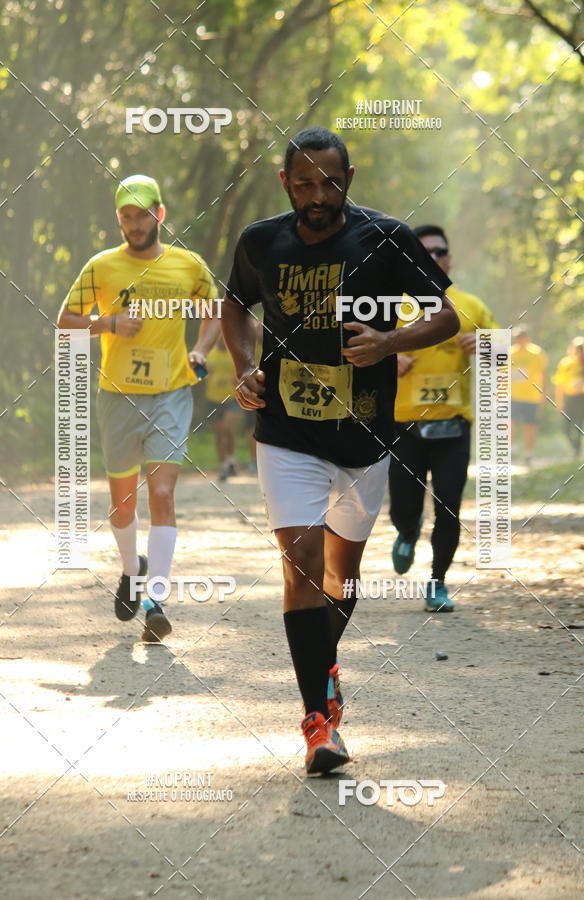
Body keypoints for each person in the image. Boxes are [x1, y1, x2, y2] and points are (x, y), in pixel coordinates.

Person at [221, 127, 459, 774]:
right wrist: (243, 367)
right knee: (299, 568)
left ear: (348, 180)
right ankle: (319, 724)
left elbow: (446, 317)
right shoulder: (260, 242)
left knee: (341, 578)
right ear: (285, 185)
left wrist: (389, 343)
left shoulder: (384, 238)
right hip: (286, 430)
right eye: (303, 184)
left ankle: (324, 669)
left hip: (364, 436)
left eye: (328, 183)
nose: (316, 195)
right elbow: (235, 305)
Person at [57, 174, 220, 642]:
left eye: (142, 215)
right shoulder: (101, 267)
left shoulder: (188, 265)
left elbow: (214, 312)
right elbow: (65, 322)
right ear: (119, 220)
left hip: (171, 391)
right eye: (126, 216)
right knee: (122, 503)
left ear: (159, 215)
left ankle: (156, 599)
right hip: (118, 396)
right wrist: (108, 322)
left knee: (162, 494)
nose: (134, 224)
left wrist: (201, 352)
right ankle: (132, 570)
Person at [389, 224, 499, 612]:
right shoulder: (391, 306)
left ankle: (438, 582)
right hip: (403, 423)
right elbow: (356, 348)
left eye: (440, 252)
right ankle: (406, 529)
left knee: (449, 505)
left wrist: (486, 346)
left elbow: (502, 357)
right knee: (404, 505)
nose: (434, 259)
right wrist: (390, 358)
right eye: (425, 253)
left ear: (450, 259)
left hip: (454, 423)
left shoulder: (470, 305)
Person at [205, 336, 244, 480]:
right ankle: (224, 465)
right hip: (213, 398)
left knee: (228, 428)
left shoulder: (234, 352)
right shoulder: (210, 354)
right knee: (220, 433)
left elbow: (244, 372)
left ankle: (232, 458)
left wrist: (238, 380)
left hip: (232, 397)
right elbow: (200, 375)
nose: (222, 338)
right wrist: (203, 371)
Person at [511, 325, 549, 467]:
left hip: (531, 396)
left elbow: (544, 374)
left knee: (529, 425)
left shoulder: (536, 353)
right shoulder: (510, 353)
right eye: (517, 338)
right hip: (512, 395)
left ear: (527, 338)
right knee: (510, 423)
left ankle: (528, 453)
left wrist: (544, 393)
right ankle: (512, 450)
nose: (519, 341)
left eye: (521, 338)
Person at [553, 336, 584, 458]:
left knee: (579, 426)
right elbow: (559, 384)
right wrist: (559, 402)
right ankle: (574, 446)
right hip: (570, 398)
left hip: (582, 398)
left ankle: (577, 452)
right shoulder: (565, 364)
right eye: (577, 349)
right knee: (566, 428)